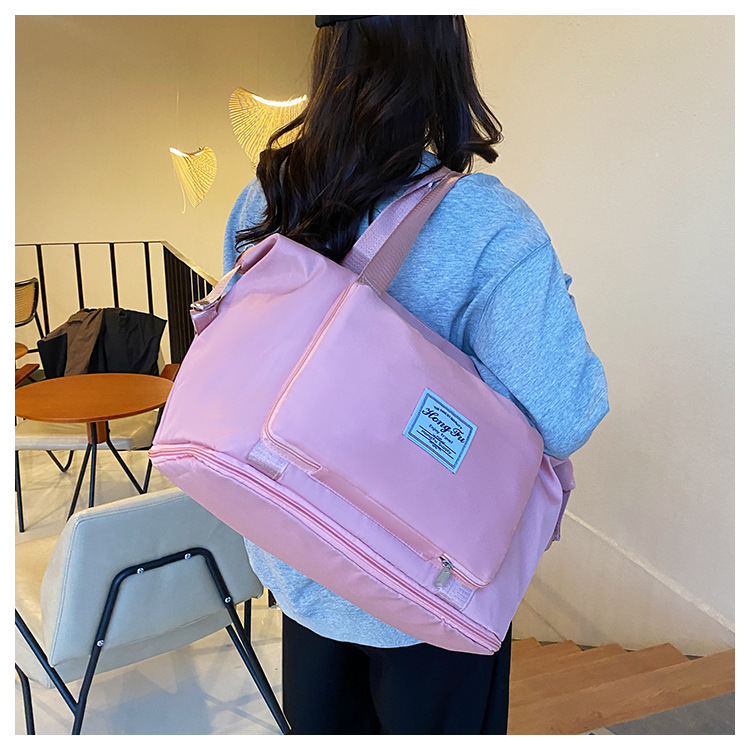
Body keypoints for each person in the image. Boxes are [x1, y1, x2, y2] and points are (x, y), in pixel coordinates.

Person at [223, 15, 608, 735]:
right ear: (445, 59)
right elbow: (566, 413)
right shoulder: (489, 223)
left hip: (301, 560)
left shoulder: (267, 199)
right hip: (429, 591)